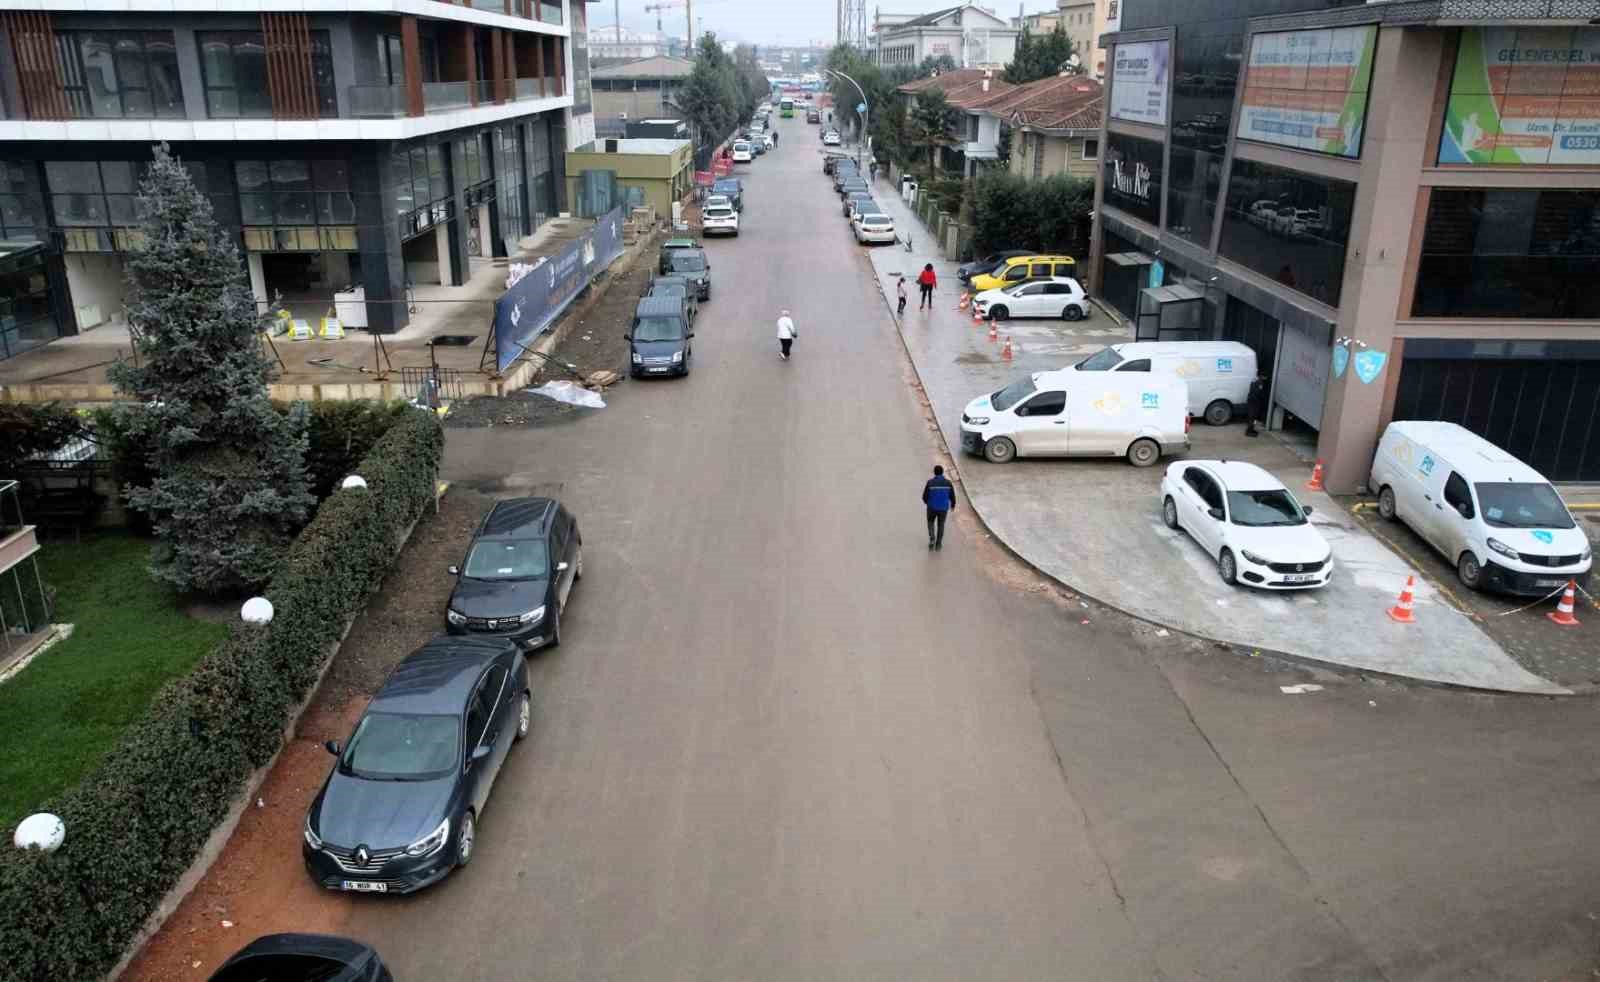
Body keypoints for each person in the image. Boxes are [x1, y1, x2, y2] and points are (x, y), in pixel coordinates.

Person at [922, 465, 956, 550]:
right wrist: (953, 505)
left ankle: (932, 538)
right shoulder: (948, 483)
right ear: (942, 472)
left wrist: (928, 503)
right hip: (943, 508)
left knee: (930, 522)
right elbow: (952, 496)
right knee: (941, 525)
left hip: (931, 507)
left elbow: (924, 496)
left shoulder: (930, 483)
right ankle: (938, 544)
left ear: (934, 472)